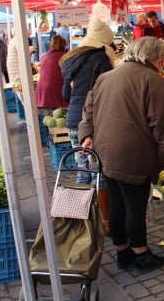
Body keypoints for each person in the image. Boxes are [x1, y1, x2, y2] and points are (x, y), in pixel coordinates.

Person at [78, 36, 164, 271]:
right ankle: (141, 254)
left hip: (106, 152)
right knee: (135, 206)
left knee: (118, 204)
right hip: (134, 154)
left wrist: (86, 134)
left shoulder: (107, 76)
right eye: (162, 60)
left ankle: (123, 252)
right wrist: (159, 161)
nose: (163, 64)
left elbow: (88, 109)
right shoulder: (152, 80)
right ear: (153, 57)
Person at [60, 17, 115, 234]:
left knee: (82, 169)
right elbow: (105, 91)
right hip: (92, 120)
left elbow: (66, 94)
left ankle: (82, 220)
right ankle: (106, 222)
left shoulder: (72, 58)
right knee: (98, 170)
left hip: (73, 121)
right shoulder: (100, 58)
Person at [36, 34, 69, 114]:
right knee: (59, 119)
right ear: (65, 44)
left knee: (47, 120)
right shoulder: (65, 56)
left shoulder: (45, 56)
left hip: (41, 93)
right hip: (55, 93)